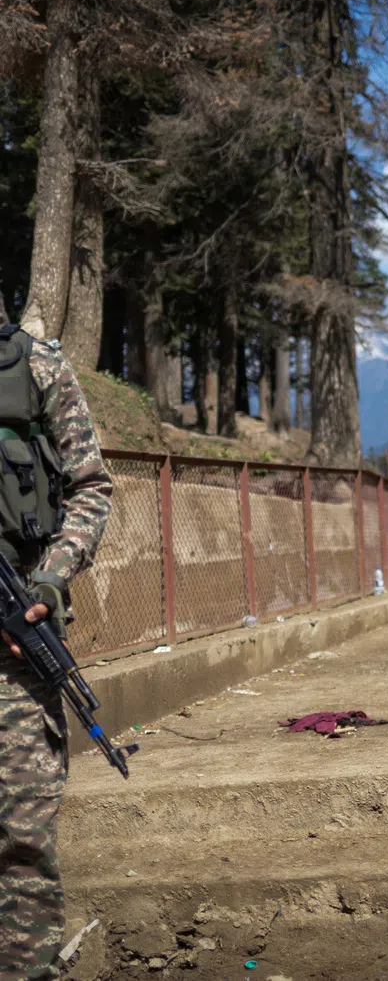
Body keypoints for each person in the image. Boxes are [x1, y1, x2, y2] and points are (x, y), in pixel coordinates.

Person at [0, 324, 113, 976]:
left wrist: (49, 578)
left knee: (22, 834)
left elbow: (91, 487)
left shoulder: (35, 362)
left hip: (18, 640)